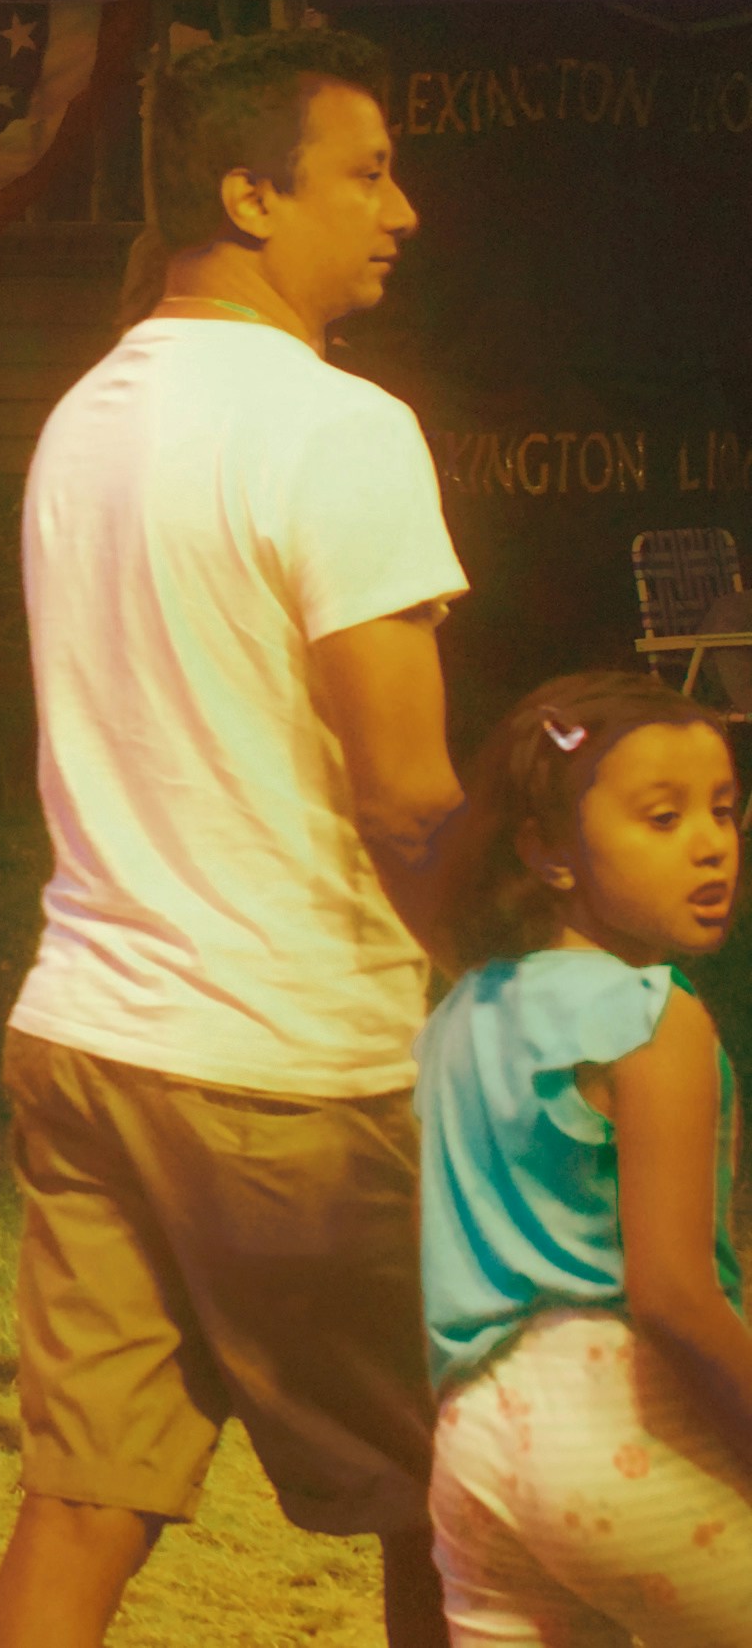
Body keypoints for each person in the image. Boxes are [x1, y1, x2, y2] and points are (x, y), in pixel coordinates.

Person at [0, 27, 463, 1648]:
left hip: (92, 1038)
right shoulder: (342, 431)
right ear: (251, 194)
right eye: (367, 172)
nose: (402, 209)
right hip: (292, 1071)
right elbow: (401, 785)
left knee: (87, 1505)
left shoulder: (81, 421)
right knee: (464, 1495)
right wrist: (521, 967)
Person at [419, 670, 752, 1642]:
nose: (710, 845)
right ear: (548, 852)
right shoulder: (653, 1015)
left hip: (474, 1442)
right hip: (622, 1428)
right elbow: (673, 1299)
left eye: (725, 812)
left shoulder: (462, 1012)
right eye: (661, 817)